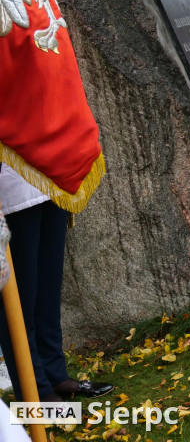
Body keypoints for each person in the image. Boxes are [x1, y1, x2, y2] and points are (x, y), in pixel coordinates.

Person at [0, 166, 113, 402]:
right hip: (9, 191)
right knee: (19, 304)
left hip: (51, 176)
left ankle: (56, 375)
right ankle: (35, 394)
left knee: (48, 295)